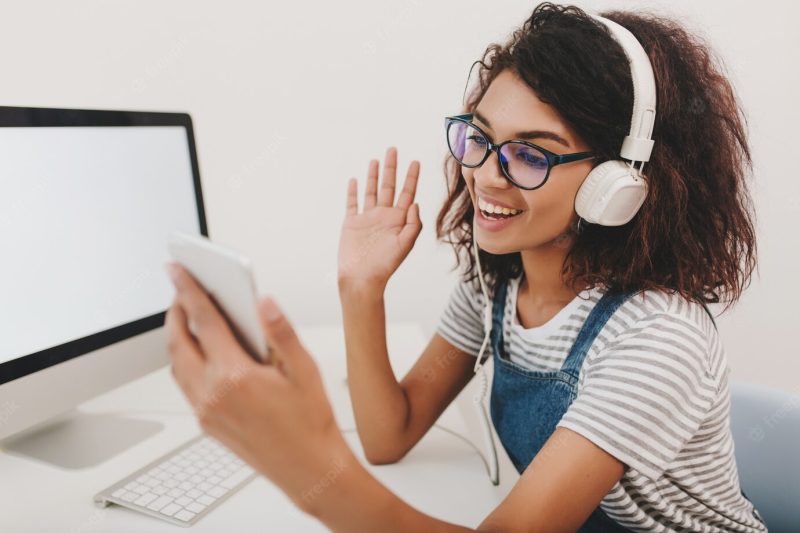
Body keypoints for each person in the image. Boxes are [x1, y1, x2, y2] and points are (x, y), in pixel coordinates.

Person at [164, 3, 769, 531]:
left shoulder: (659, 338)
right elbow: (388, 435)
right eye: (478, 137)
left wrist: (308, 469)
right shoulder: (496, 286)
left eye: (530, 154)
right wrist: (361, 287)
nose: (483, 174)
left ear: (619, 185)